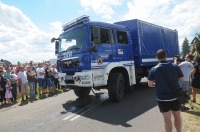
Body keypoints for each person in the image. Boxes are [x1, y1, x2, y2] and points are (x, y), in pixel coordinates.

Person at [148, 49, 184, 132]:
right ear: (166, 56)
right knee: (177, 117)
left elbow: (150, 84)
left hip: (162, 99)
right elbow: (182, 78)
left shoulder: (153, 69)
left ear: (157, 57)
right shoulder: (175, 66)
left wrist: (158, 85)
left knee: (167, 120)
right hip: (175, 96)